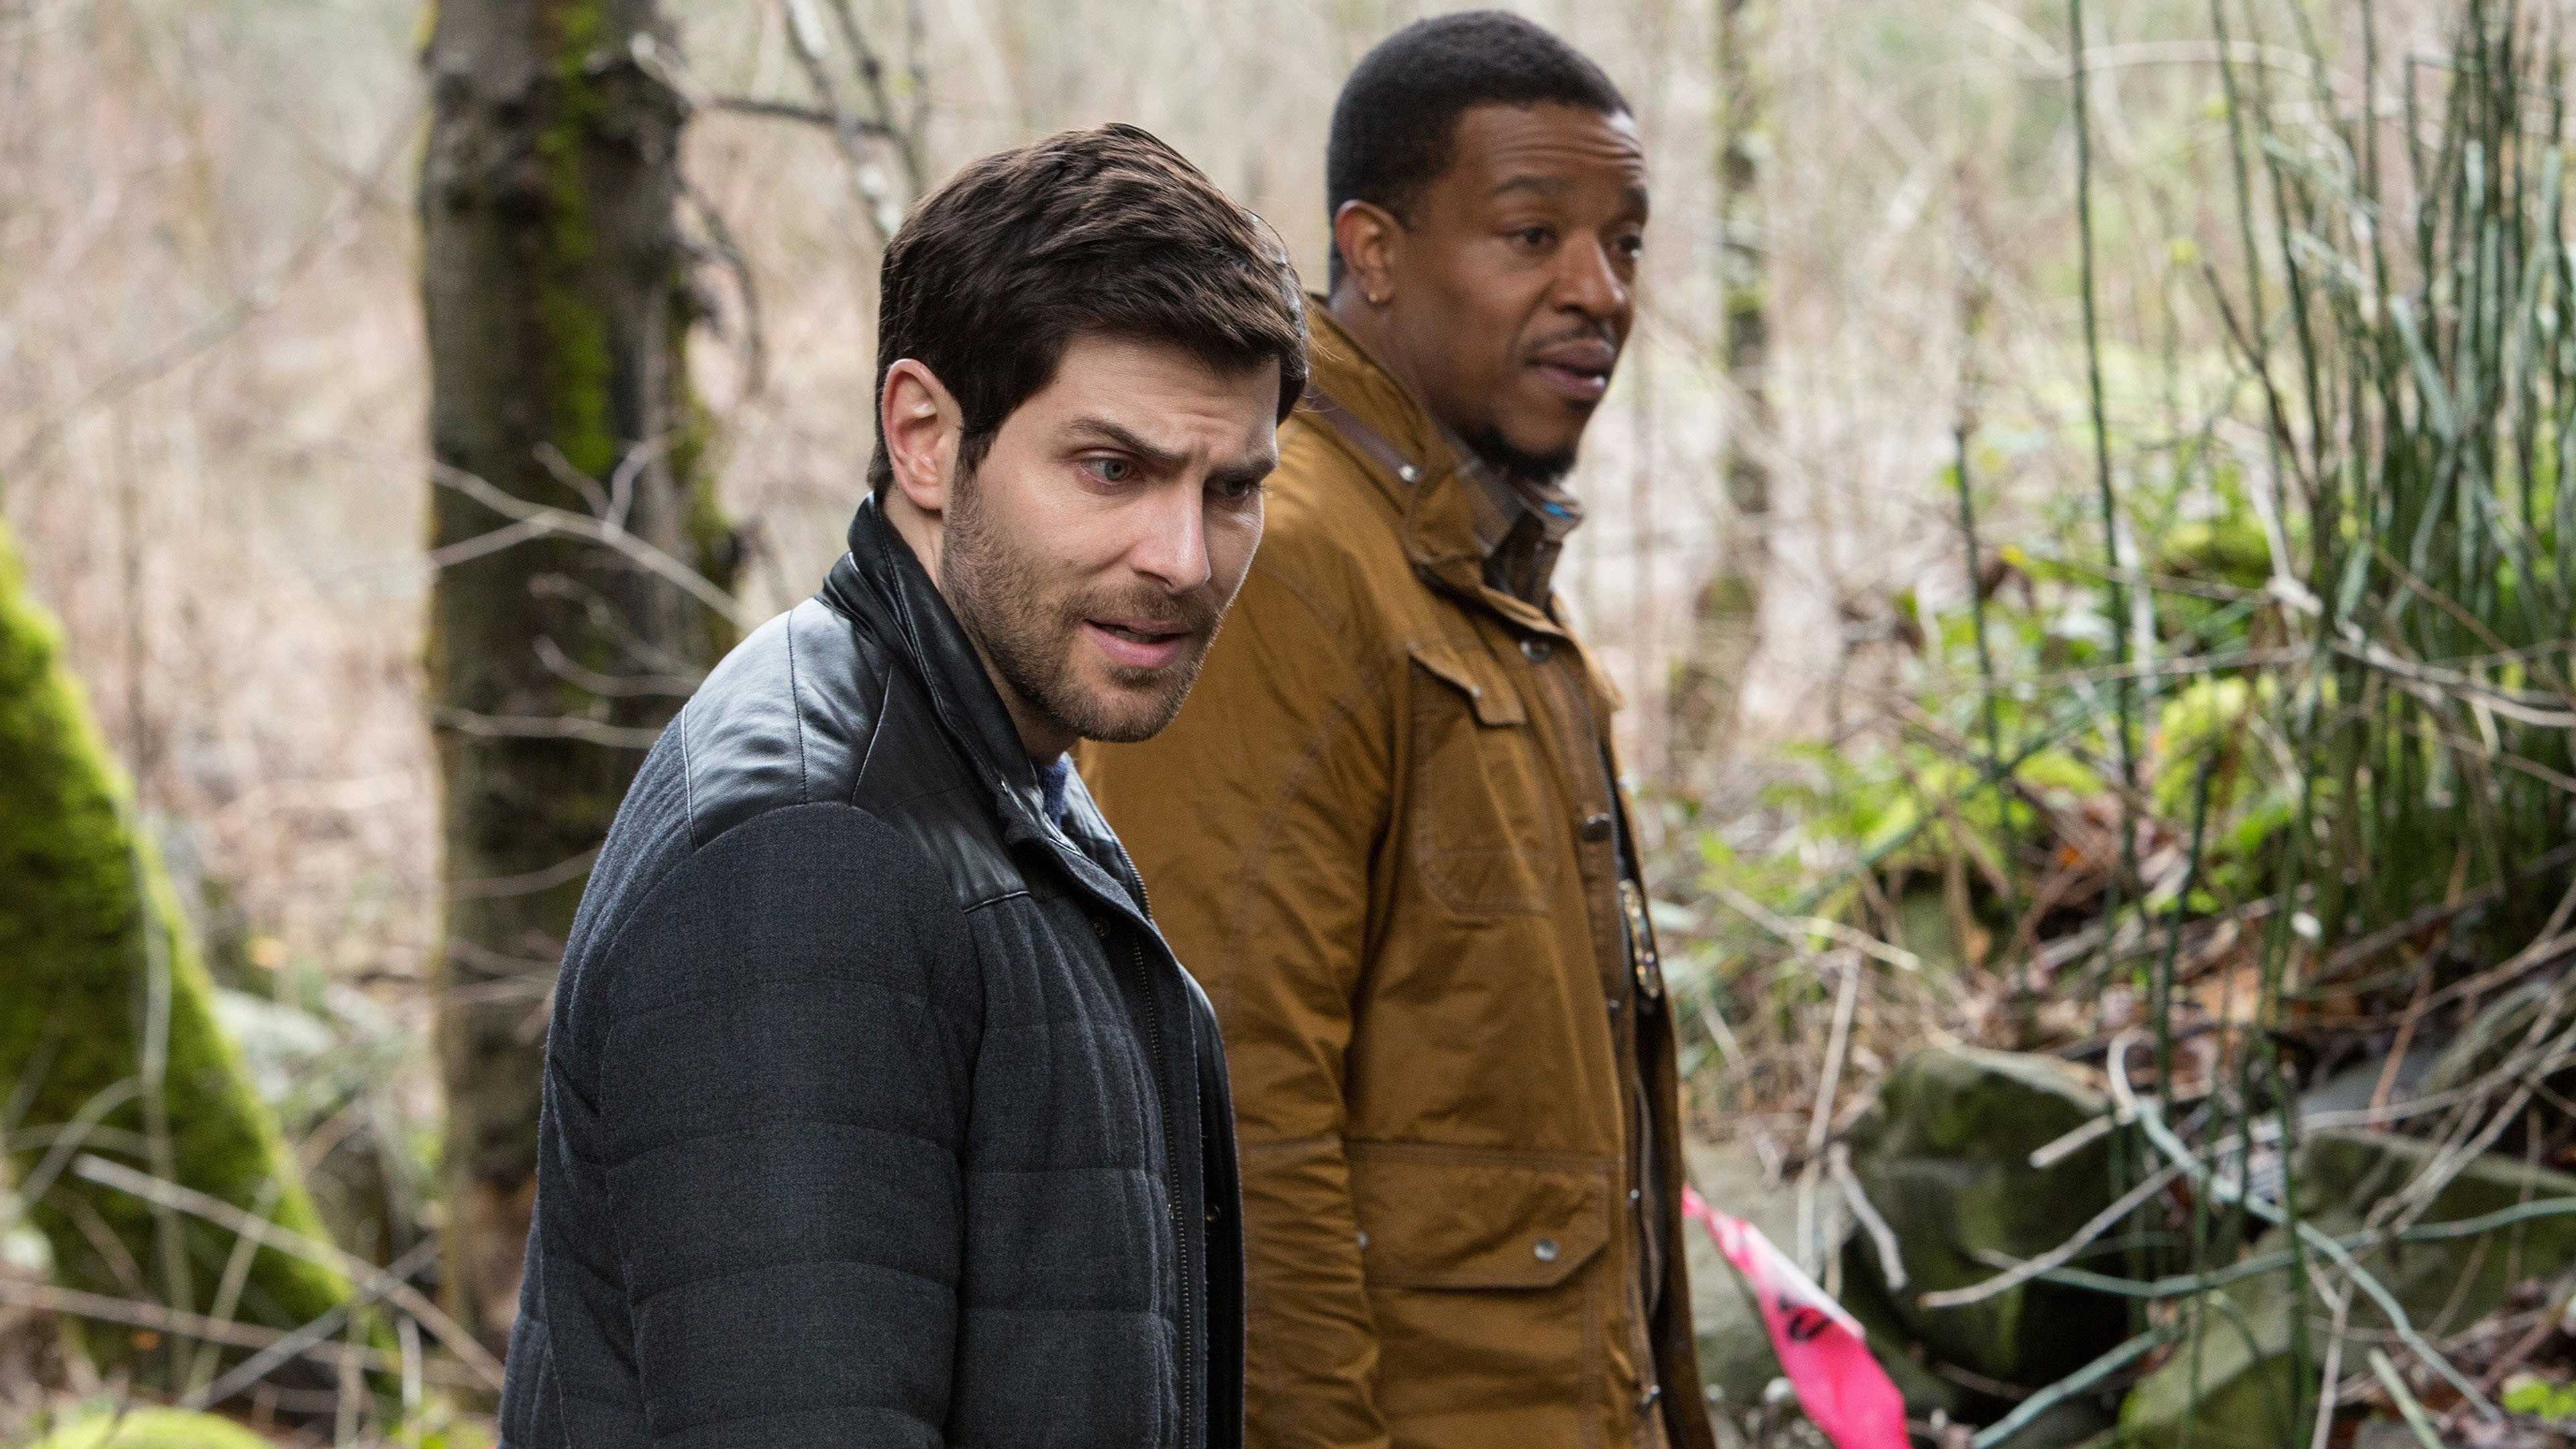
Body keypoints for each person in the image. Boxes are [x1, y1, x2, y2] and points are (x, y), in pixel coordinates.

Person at [496, 123, 1305, 1449]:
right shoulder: (808, 859)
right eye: (1113, 469)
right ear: (924, 437)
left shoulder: (992, 765)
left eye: (1232, 490)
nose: (1184, 557)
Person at [1079, 14, 1712, 1449]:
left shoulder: (1468, 556)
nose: (1600, 291)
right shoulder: (1287, 561)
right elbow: (1227, 1115)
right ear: (1373, 251)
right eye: (1532, 234)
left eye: (1624, 244)